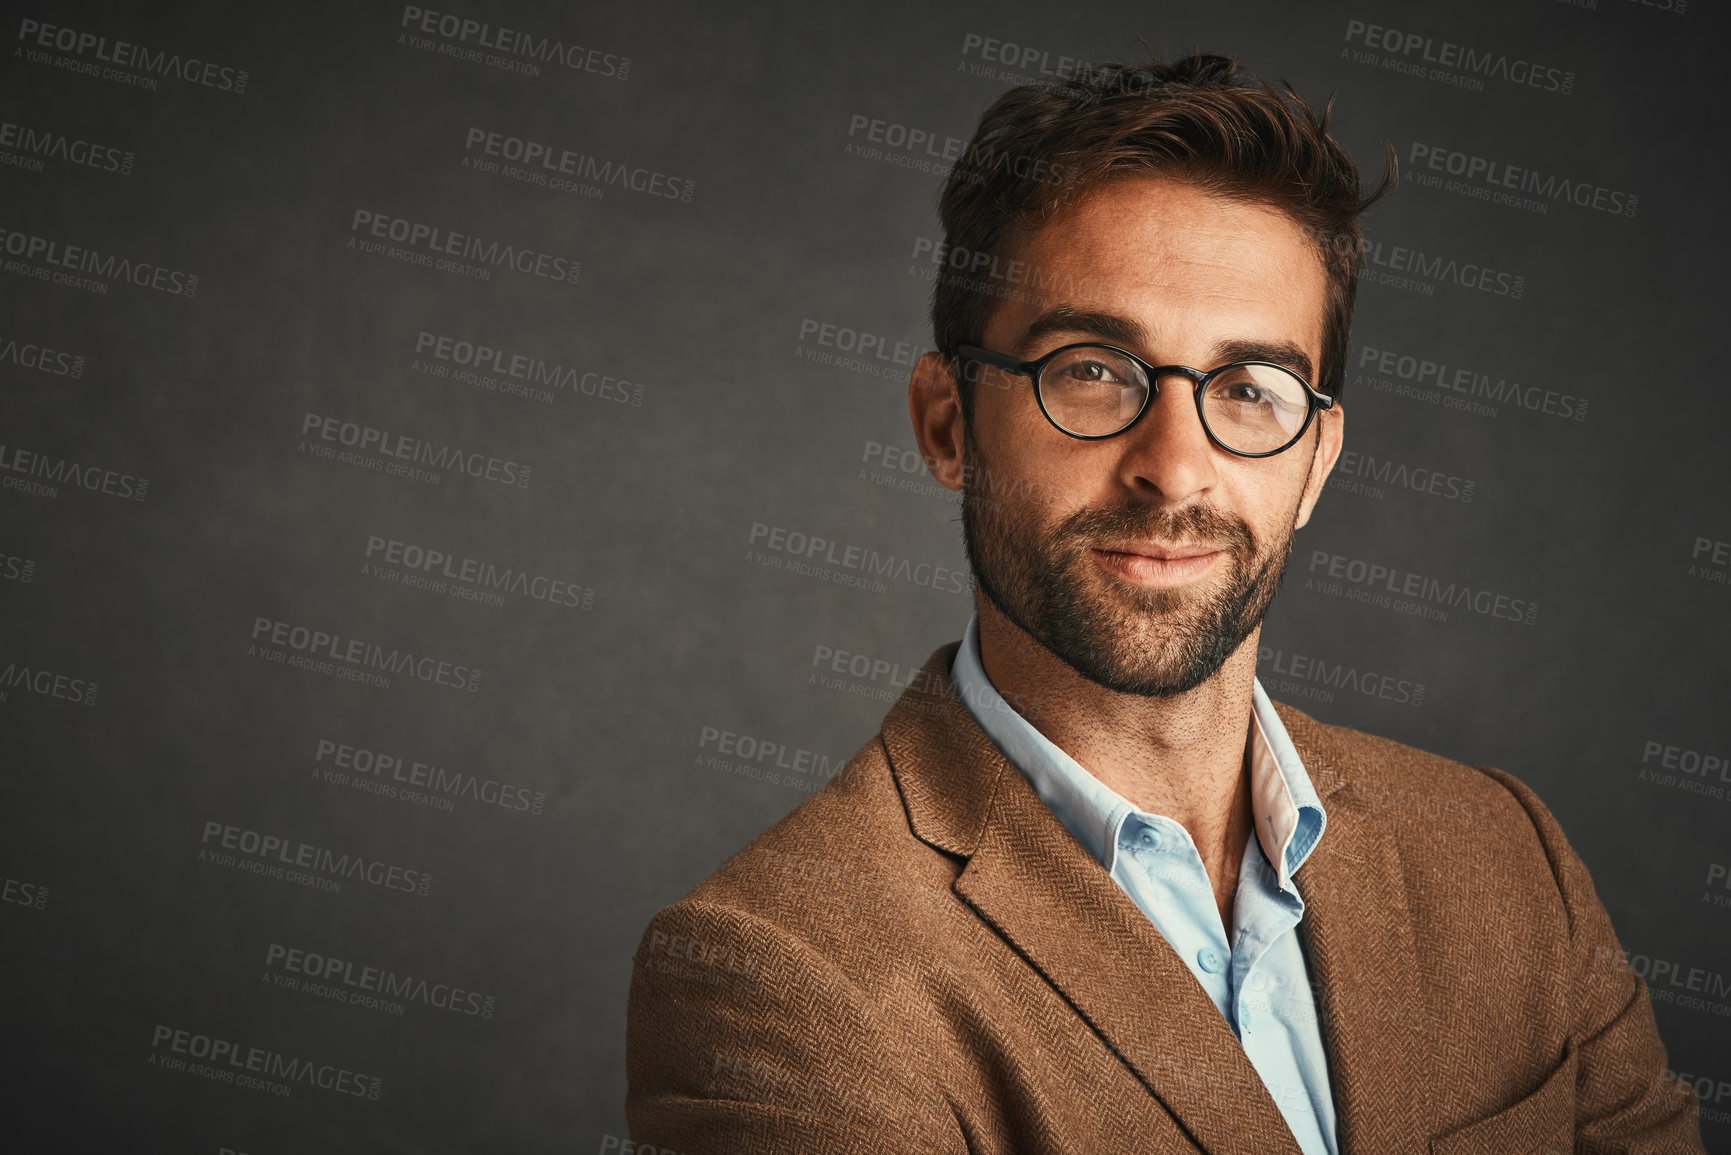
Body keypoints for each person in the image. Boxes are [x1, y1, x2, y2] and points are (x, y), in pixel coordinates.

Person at [625, 53, 1705, 1153]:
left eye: (1249, 390)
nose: (1175, 469)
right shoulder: (780, 977)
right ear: (949, 424)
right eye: (1092, 370)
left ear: (1317, 461)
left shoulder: (1505, 857)